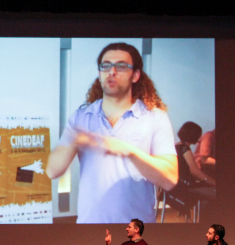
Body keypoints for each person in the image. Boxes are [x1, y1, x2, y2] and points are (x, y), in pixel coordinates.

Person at [47, 42, 178, 223]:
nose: (112, 71)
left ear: (135, 75)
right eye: (106, 65)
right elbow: (52, 171)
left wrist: (129, 152)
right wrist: (73, 142)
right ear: (100, 73)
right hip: (89, 228)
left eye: (121, 66)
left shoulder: (155, 117)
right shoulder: (81, 117)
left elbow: (170, 180)